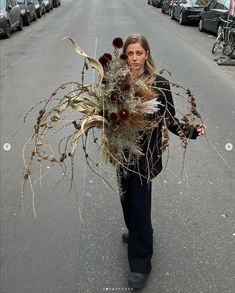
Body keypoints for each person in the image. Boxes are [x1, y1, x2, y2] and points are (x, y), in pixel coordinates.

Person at [117, 34, 205, 289]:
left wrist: (192, 131)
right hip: (122, 153)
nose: (134, 59)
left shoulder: (159, 84)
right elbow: (106, 113)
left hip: (146, 155)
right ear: (125, 55)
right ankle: (134, 232)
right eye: (130, 53)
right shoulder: (117, 82)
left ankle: (141, 263)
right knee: (126, 200)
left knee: (141, 207)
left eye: (139, 53)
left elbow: (169, 119)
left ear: (147, 54)